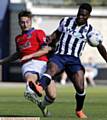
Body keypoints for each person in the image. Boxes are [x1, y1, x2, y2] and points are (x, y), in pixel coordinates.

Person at [33, 3, 107, 119]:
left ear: (88, 16)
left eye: (83, 15)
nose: (80, 17)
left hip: (74, 60)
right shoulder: (66, 21)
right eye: (79, 14)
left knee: (80, 87)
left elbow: (100, 46)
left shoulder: (91, 31)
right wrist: (50, 39)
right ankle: (39, 87)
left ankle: (79, 110)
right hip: (60, 55)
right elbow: (57, 33)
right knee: (51, 69)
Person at [0, 11, 54, 110]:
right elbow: (18, 54)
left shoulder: (38, 33)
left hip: (43, 64)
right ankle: (30, 89)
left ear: (31, 22)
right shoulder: (18, 39)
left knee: (52, 96)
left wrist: (29, 56)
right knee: (31, 76)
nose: (25, 24)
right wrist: (2, 61)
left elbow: (45, 50)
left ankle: (42, 105)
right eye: (22, 22)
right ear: (19, 23)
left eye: (27, 22)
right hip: (28, 64)